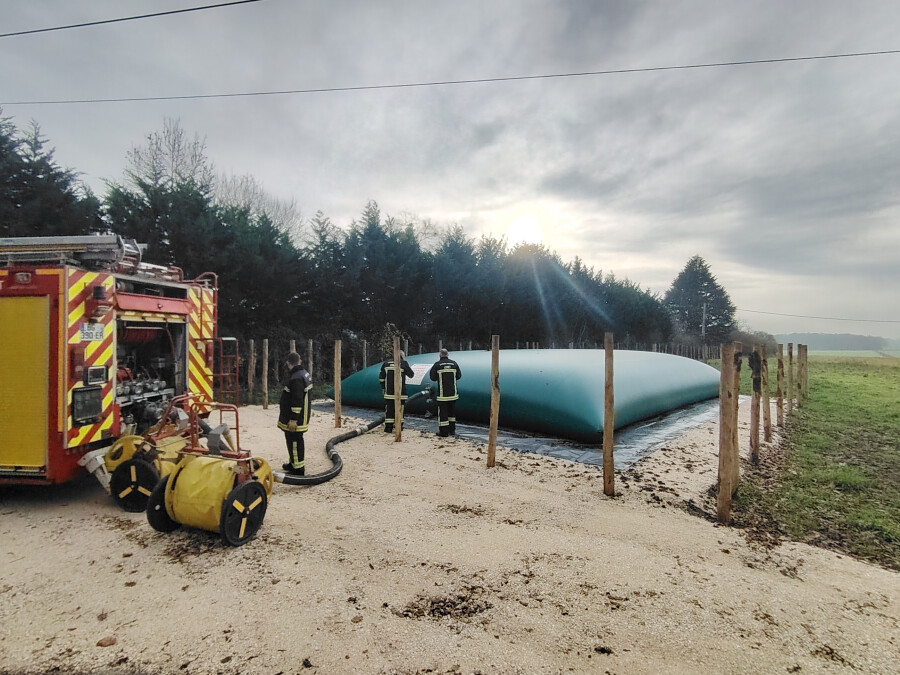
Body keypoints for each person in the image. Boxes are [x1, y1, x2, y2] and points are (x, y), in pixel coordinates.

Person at [277, 352, 312, 475]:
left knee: (295, 440)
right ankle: (293, 463)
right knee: (292, 439)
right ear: (299, 361)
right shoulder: (303, 374)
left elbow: (297, 400)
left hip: (296, 418)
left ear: (288, 363)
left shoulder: (296, 378)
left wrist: (293, 419)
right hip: (300, 416)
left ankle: (298, 469)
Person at [378, 350, 414, 433]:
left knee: (389, 410)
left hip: (389, 393)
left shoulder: (386, 363)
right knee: (400, 410)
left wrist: (383, 388)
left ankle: (388, 428)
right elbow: (411, 375)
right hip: (401, 393)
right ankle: (398, 427)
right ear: (402, 356)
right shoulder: (403, 363)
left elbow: (381, 378)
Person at [429, 348, 462, 437]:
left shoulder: (437, 365)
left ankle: (444, 432)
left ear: (440, 355)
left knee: (443, 414)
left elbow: (432, 377)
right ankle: (452, 430)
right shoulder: (454, 364)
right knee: (452, 413)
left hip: (442, 395)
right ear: (448, 354)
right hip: (453, 394)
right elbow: (459, 376)